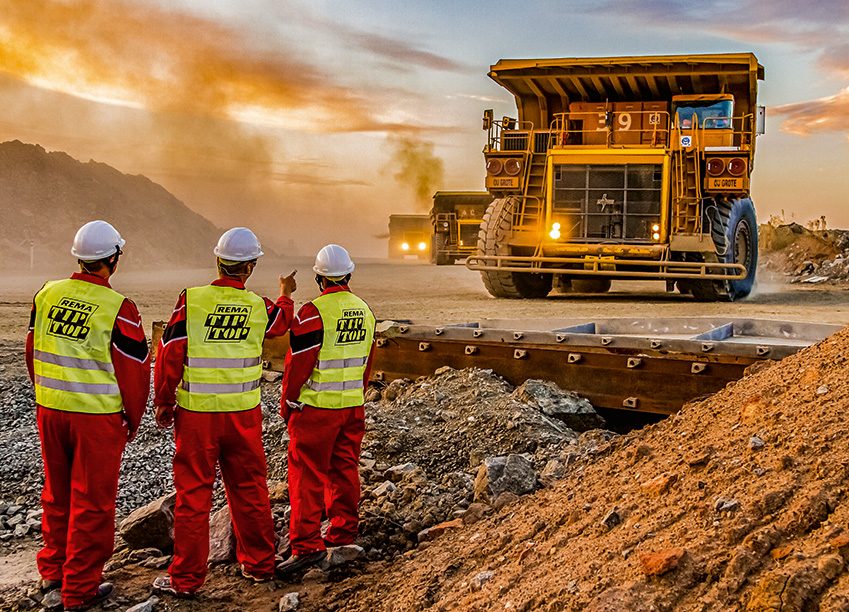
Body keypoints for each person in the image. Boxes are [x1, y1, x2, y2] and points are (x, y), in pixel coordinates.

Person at [152, 227, 296, 596]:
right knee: (249, 489)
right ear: (249, 268)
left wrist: (164, 401)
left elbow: (170, 353)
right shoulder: (258, 306)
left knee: (194, 495)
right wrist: (285, 295)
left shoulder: (192, 300)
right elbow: (281, 325)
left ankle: (186, 580)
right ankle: (261, 565)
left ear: (218, 262)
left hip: (197, 416)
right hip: (242, 416)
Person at [26, 220, 150, 611]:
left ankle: (53, 573)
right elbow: (134, 370)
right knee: (92, 501)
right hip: (95, 419)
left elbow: (33, 348)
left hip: (51, 411)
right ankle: (79, 588)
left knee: (56, 492)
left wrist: (46, 394)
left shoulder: (47, 294)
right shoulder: (119, 308)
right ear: (112, 258)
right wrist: (132, 418)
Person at [277, 244, 376, 575]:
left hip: (317, 409)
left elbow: (297, 366)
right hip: (351, 406)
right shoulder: (365, 311)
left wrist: (288, 403)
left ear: (319, 278)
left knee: (306, 476)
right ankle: (343, 533)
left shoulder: (312, 313)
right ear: (349, 274)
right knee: (344, 471)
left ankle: (305, 546)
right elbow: (366, 366)